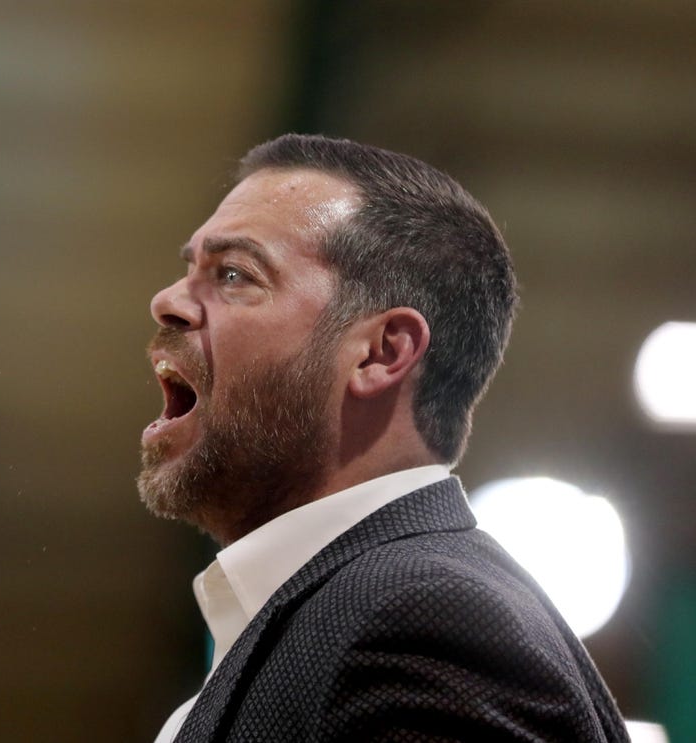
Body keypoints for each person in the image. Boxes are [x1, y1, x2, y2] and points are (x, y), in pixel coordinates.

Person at [138, 134, 629, 742]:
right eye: (190, 269)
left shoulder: (423, 626)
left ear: (381, 352)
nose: (168, 302)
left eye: (235, 274)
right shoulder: (353, 613)